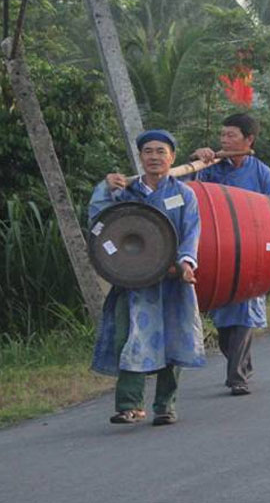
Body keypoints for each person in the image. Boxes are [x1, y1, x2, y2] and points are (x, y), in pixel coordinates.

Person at [90, 130, 205, 426]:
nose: (154, 157)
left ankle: (165, 406)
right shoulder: (126, 192)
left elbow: (191, 233)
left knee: (171, 341)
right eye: (148, 151)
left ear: (172, 157)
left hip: (170, 281)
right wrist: (104, 187)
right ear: (140, 157)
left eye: (161, 151)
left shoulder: (184, 194)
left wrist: (185, 264)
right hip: (132, 283)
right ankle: (130, 405)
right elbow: (99, 224)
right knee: (127, 338)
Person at [192, 113, 270, 396]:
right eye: (222, 135)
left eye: (231, 135)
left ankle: (236, 377)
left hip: (254, 255)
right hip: (220, 257)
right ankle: (241, 363)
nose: (224, 140)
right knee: (223, 322)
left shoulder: (262, 174)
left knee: (246, 313)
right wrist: (197, 161)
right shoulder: (210, 169)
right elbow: (186, 193)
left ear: (249, 140)